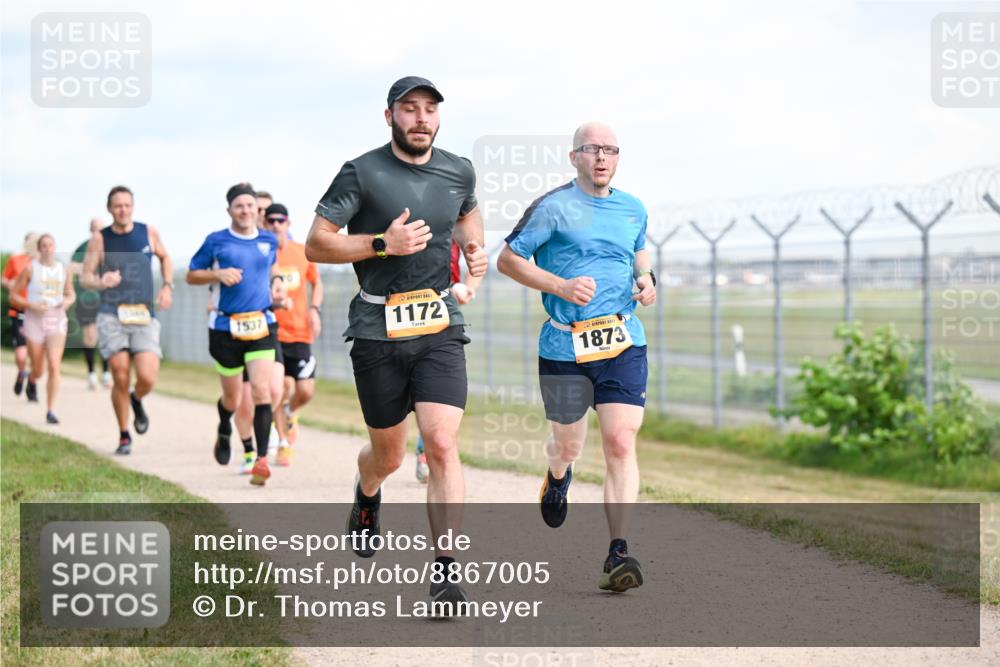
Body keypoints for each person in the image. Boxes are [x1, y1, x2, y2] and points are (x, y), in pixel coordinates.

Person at [306, 76, 487, 608]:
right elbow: (317, 244)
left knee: (441, 443)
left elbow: (470, 220)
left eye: (430, 109)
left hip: (438, 323)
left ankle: (447, 570)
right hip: (377, 329)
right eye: (409, 109)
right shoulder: (360, 171)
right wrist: (382, 243)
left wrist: (474, 259)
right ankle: (367, 493)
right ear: (390, 116)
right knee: (388, 455)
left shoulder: (458, 169)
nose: (421, 118)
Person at [497, 122, 655, 593]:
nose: (602, 157)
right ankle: (558, 474)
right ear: (574, 157)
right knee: (569, 444)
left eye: (610, 150)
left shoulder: (633, 208)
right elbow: (508, 259)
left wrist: (646, 280)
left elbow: (639, 252)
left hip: (623, 341)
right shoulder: (553, 207)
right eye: (592, 149)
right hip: (565, 346)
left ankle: (618, 551)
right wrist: (560, 286)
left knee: (621, 442)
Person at [187, 182, 282, 487]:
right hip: (225, 328)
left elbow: (271, 267)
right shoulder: (216, 241)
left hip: (260, 325)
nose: (245, 211)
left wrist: (277, 281)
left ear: (258, 210)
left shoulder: (268, 240)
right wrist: (216, 274)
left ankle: (261, 460)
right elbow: (191, 274)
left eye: (250, 206)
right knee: (232, 398)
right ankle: (224, 425)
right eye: (239, 206)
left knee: (261, 390)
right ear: (229, 210)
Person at [81, 185, 174, 455]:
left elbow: (165, 257)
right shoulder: (100, 239)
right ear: (109, 209)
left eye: (127, 205)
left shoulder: (149, 232)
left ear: (133, 207)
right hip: (112, 313)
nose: (123, 209)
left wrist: (168, 286)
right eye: (117, 205)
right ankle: (124, 435)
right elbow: (85, 276)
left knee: (147, 377)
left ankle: (137, 399)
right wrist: (102, 280)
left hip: (144, 314)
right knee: (120, 374)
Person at [414, 239, 483, 483]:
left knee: (436, 395)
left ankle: (426, 450)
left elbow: (477, 255)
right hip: (400, 317)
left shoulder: (457, 220)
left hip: (443, 317)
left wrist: (467, 286)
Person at [263, 203, 324, 466]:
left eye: (281, 220)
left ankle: (290, 412)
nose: (276, 225)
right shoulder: (261, 255)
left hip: (300, 332)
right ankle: (283, 444)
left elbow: (316, 281)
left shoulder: (301, 252)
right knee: (282, 386)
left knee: (305, 390)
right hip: (272, 332)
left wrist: (314, 309)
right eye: (271, 221)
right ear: (264, 224)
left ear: (288, 224)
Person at [9, 234, 75, 423]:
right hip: (35, 320)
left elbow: (71, 293)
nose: (47, 249)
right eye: (43, 246)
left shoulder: (63, 270)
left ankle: (51, 410)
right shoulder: (30, 269)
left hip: (56, 319)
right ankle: (32, 378)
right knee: (39, 369)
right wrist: (32, 305)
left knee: (54, 364)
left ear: (55, 247)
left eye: (50, 245)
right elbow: (13, 296)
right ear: (39, 249)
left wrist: (68, 301)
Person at [69, 218, 111, 389]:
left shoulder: (110, 247)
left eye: (100, 229)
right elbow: (71, 268)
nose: (96, 232)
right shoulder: (83, 247)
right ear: (90, 230)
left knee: (106, 337)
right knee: (90, 337)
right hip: (86, 299)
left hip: (107, 299)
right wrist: (87, 270)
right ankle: (91, 374)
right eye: (94, 229)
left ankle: (107, 374)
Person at [3, 232, 39, 397]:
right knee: (21, 353)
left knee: (38, 353)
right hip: (19, 310)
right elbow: (4, 278)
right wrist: (10, 283)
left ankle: (32, 382)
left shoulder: (44, 263)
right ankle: (22, 372)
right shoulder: (16, 259)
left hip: (39, 313)